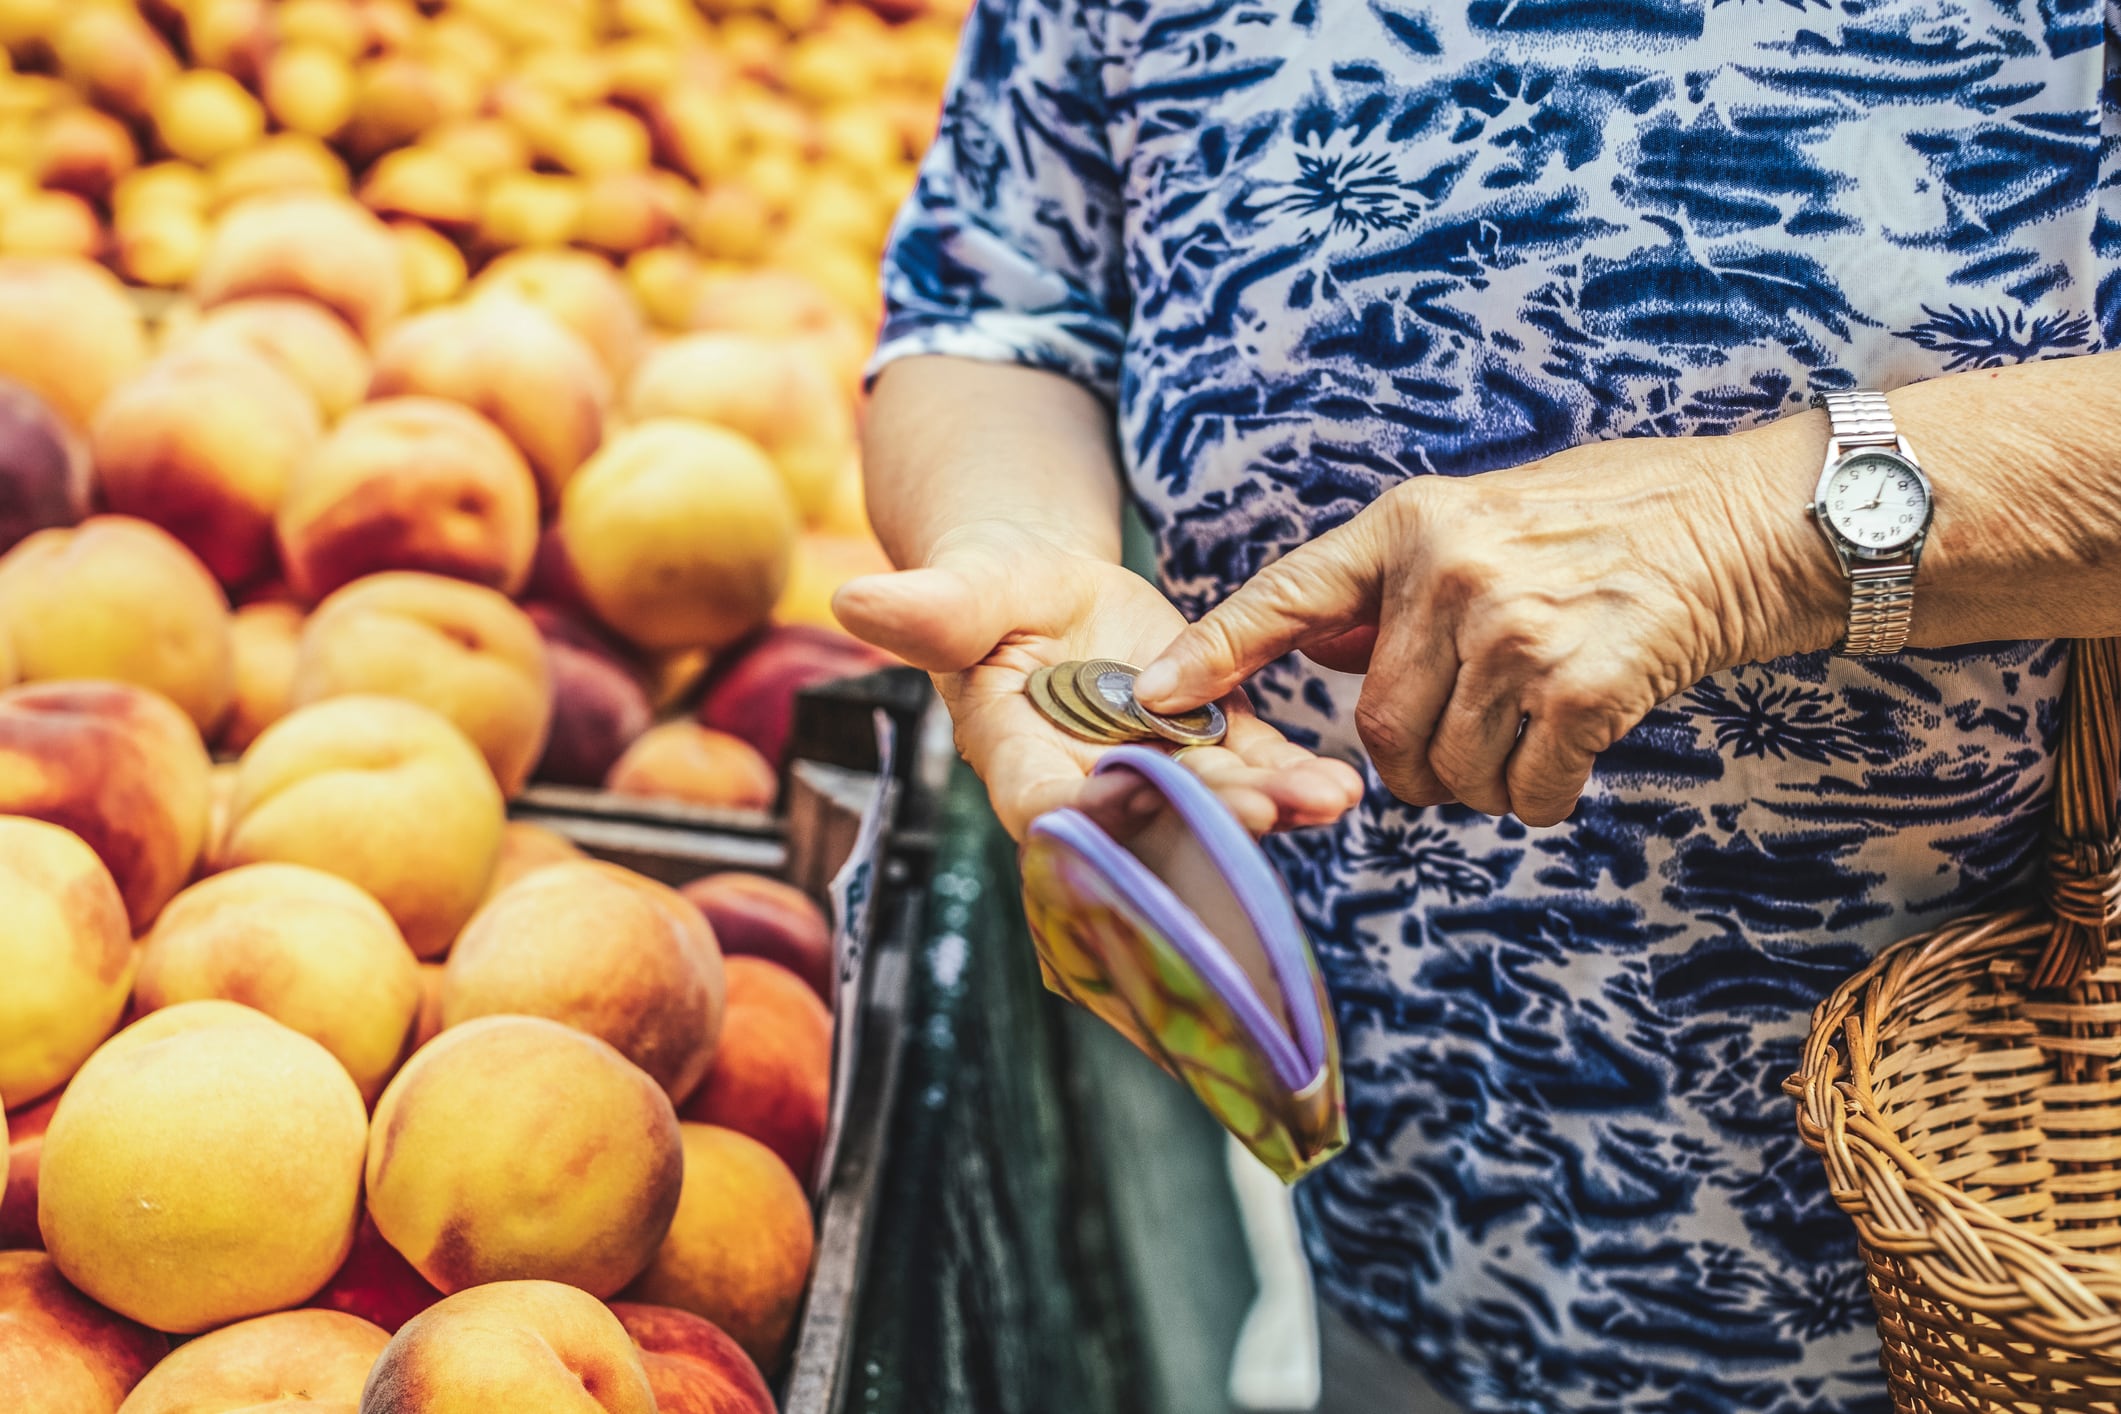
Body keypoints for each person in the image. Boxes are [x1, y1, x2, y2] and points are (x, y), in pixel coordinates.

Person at [832, 2, 2121, 1409]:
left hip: (1991, 1247)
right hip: (1412, 1198)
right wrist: (1033, 560)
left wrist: (1761, 531)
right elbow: (999, 306)